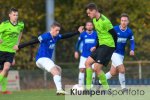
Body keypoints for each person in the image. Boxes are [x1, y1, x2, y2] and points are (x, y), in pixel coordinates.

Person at [18, 22, 79, 95]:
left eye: (59, 30)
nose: (58, 32)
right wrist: (19, 46)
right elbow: (33, 41)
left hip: (45, 60)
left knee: (59, 69)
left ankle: (60, 89)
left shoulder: (56, 37)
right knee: (55, 71)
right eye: (56, 30)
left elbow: (65, 36)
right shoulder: (45, 36)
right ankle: (59, 90)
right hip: (42, 59)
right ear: (52, 29)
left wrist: (77, 32)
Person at [78, 3, 117, 90]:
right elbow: (100, 35)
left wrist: (114, 47)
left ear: (94, 11)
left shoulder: (105, 21)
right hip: (101, 46)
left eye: (89, 13)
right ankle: (88, 89)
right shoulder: (95, 20)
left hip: (108, 46)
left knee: (97, 68)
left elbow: (114, 35)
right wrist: (96, 46)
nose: (88, 15)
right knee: (87, 63)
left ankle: (107, 90)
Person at [105, 13, 135, 90]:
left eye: (125, 21)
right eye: (122, 20)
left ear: (128, 22)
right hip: (113, 53)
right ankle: (123, 88)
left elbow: (132, 42)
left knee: (113, 72)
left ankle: (99, 82)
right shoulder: (114, 29)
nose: (123, 22)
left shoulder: (129, 32)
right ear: (120, 21)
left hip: (121, 54)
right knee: (122, 70)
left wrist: (132, 49)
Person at [0, 8, 24, 94]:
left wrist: (17, 43)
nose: (16, 17)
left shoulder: (21, 24)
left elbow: (20, 33)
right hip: (1, 50)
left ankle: (4, 90)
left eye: (17, 15)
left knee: (6, 68)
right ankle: (3, 89)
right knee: (2, 71)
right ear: (9, 15)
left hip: (11, 51)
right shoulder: (4, 24)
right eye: (14, 15)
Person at [74, 21, 97, 86]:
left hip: (93, 56)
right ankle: (80, 86)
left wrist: (96, 47)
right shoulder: (83, 34)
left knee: (92, 70)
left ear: (93, 26)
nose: (89, 26)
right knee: (82, 69)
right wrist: (76, 51)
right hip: (84, 55)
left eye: (91, 25)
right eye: (88, 25)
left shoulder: (96, 34)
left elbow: (99, 43)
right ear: (86, 27)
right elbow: (78, 43)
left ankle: (91, 86)